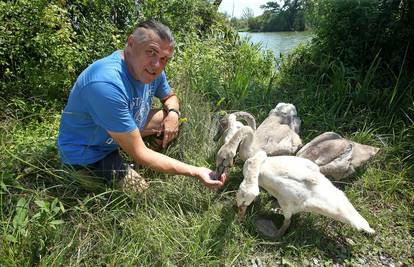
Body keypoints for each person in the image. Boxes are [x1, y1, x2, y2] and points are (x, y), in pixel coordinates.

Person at [57, 19, 225, 193]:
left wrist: (173, 114)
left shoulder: (152, 69)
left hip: (116, 135)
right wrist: (196, 171)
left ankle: (137, 162)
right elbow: (140, 152)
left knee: (171, 120)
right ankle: (93, 173)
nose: (157, 65)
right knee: (140, 191)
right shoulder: (106, 84)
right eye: (151, 52)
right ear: (131, 43)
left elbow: (170, 97)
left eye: (164, 59)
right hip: (89, 153)